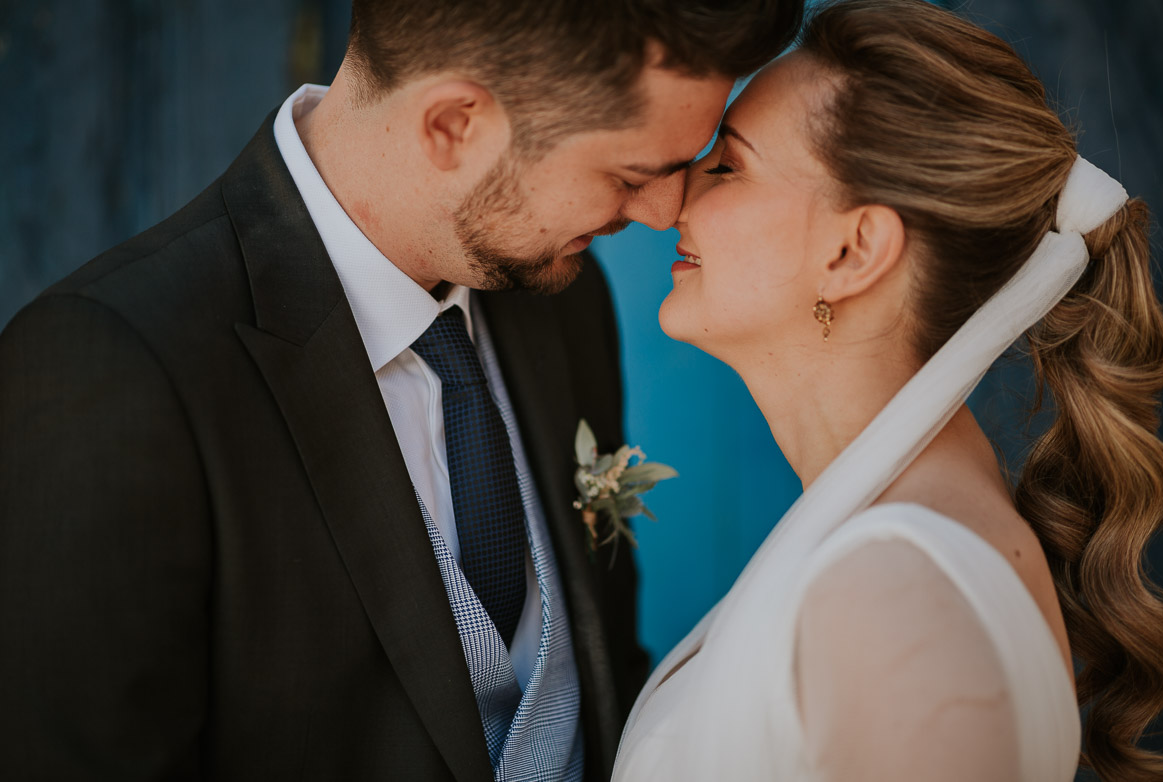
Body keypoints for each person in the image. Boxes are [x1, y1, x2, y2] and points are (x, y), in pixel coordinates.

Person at [0, 1, 803, 779]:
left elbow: (594, 674)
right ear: (453, 124)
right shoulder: (114, 367)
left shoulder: (564, 299)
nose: (666, 210)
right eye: (631, 173)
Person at [612, 1, 1163, 780]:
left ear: (854, 250)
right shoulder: (891, 548)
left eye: (729, 165)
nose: (675, 198)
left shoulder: (893, 599)